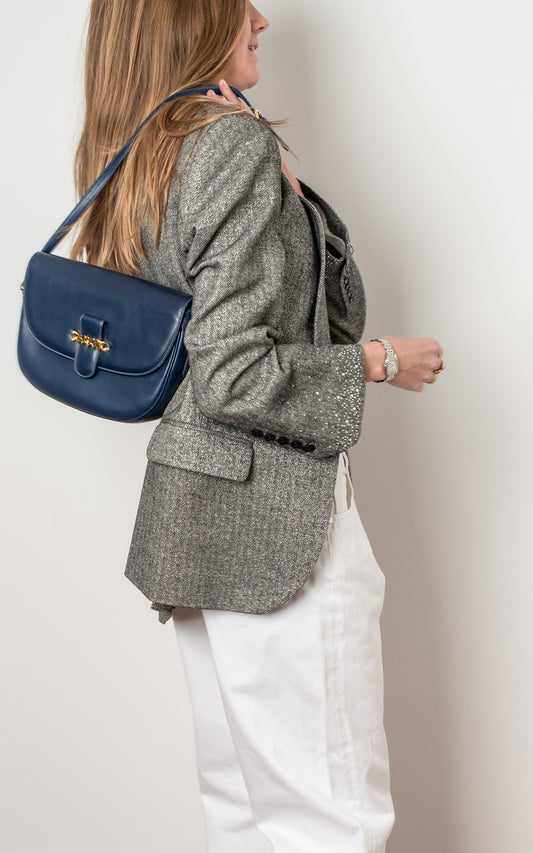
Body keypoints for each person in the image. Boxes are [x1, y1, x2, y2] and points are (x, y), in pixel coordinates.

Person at [73, 1, 444, 849]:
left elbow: (283, 321)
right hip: (276, 520)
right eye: (238, 1)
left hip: (198, 517)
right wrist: (379, 360)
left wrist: (290, 195)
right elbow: (234, 372)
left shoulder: (135, 147)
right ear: (188, 18)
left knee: (245, 815)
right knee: (329, 819)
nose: (261, 19)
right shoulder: (226, 145)